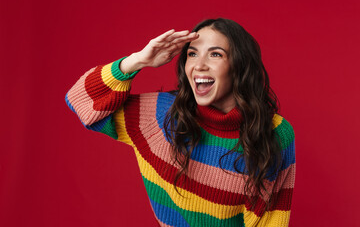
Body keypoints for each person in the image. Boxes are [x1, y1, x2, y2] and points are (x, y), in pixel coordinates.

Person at [65, 18, 295, 227]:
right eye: (192, 54)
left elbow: (271, 221)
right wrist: (136, 61)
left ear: (240, 66)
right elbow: (80, 99)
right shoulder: (159, 116)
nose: (199, 65)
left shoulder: (275, 133)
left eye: (215, 54)